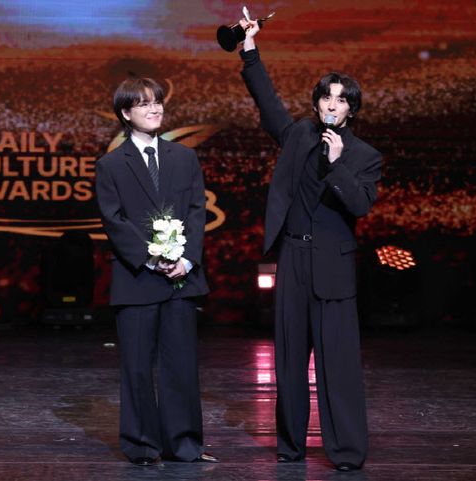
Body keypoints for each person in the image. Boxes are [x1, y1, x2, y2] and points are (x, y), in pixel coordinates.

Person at [238, 18, 383, 471]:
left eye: (341, 99)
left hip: (333, 267)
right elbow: (267, 102)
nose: (332, 104)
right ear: (317, 103)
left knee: (338, 364)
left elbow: (360, 206)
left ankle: (346, 452)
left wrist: (337, 165)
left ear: (351, 110)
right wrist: (249, 51)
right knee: (289, 359)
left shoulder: (365, 156)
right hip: (294, 258)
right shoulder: (299, 134)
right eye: (326, 97)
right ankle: (291, 446)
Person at [94, 77, 218, 466]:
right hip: (137, 279)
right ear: (125, 113)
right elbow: (113, 220)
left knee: (181, 365)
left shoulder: (184, 158)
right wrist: (150, 258)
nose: (154, 109)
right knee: (137, 367)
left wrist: (186, 259)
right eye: (144, 103)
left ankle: (184, 445)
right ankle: (142, 446)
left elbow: (197, 211)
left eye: (157, 101)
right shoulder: (111, 164)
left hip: (181, 278)